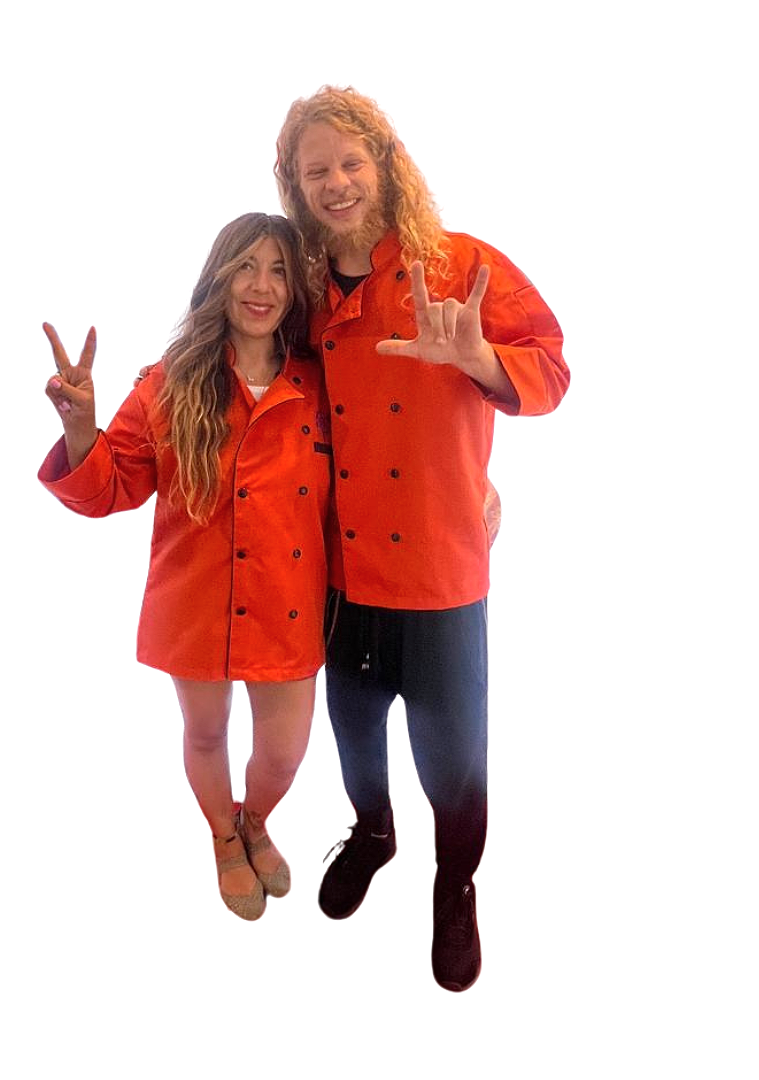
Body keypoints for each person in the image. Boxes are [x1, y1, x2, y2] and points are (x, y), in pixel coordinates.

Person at [275, 87, 570, 990]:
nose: (336, 183)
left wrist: (478, 363)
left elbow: (553, 366)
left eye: (351, 163)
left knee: (454, 758)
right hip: (342, 573)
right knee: (356, 736)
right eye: (314, 169)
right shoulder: (300, 292)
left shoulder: (459, 264)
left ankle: (456, 882)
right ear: (293, 185)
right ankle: (373, 834)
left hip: (443, 575)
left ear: (388, 163)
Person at [38, 213, 332, 921]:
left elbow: (377, 471)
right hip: (198, 600)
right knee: (205, 733)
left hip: (289, 600)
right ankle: (223, 837)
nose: (261, 287)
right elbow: (113, 488)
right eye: (245, 267)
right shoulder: (171, 383)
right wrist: (82, 429)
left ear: (297, 291)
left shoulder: (321, 386)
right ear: (218, 278)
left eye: (279, 271)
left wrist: (474, 479)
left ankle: (254, 820)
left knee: (284, 754)